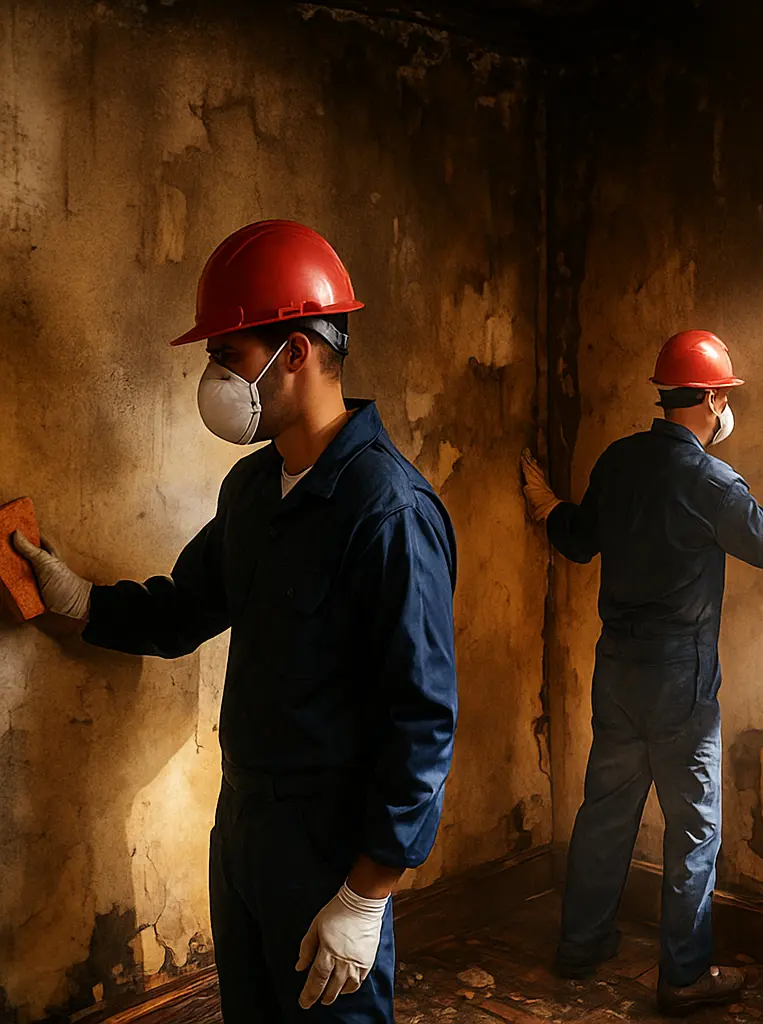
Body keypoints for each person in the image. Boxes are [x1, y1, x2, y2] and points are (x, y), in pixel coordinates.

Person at [11, 220, 458, 1023]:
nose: (214, 377)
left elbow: (422, 721)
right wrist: (82, 601)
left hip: (331, 850)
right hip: (245, 826)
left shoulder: (388, 510)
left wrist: (367, 895)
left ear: (295, 352)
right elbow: (187, 606)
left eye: (229, 356)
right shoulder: (254, 492)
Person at [520, 329, 763, 1015]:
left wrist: (543, 503)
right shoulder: (711, 481)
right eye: (726, 395)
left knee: (605, 814)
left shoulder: (619, 460)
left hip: (617, 668)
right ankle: (683, 976)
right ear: (713, 398)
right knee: (692, 829)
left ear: (665, 396)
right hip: (679, 679)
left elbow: (579, 538)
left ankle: (580, 945)